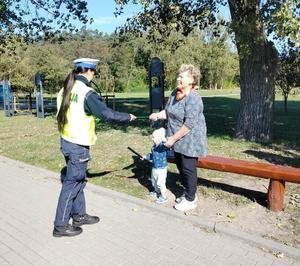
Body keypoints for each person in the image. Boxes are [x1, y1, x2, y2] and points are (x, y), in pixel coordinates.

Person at [53, 58, 136, 237]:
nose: (94, 75)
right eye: (94, 72)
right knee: (72, 183)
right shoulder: (86, 93)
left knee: (79, 181)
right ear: (90, 72)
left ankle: (79, 216)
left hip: (66, 141)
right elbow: (107, 114)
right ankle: (60, 226)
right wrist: (127, 117)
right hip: (78, 145)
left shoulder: (64, 89)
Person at [149, 64, 207, 212]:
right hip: (177, 138)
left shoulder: (194, 98)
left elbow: (189, 124)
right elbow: (169, 112)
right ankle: (188, 192)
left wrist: (173, 139)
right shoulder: (176, 93)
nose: (178, 78)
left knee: (188, 169)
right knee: (181, 167)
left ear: (191, 79)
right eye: (178, 75)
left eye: (182, 76)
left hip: (191, 140)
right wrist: (158, 115)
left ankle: (191, 199)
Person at [143, 127, 169, 204]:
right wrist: (145, 157)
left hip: (161, 168)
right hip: (154, 167)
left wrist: (164, 140)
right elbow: (152, 156)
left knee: (160, 183)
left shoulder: (162, 147)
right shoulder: (153, 147)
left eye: (154, 137)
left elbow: (166, 145)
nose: (152, 138)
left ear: (160, 139)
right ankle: (156, 191)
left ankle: (164, 196)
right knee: (154, 181)